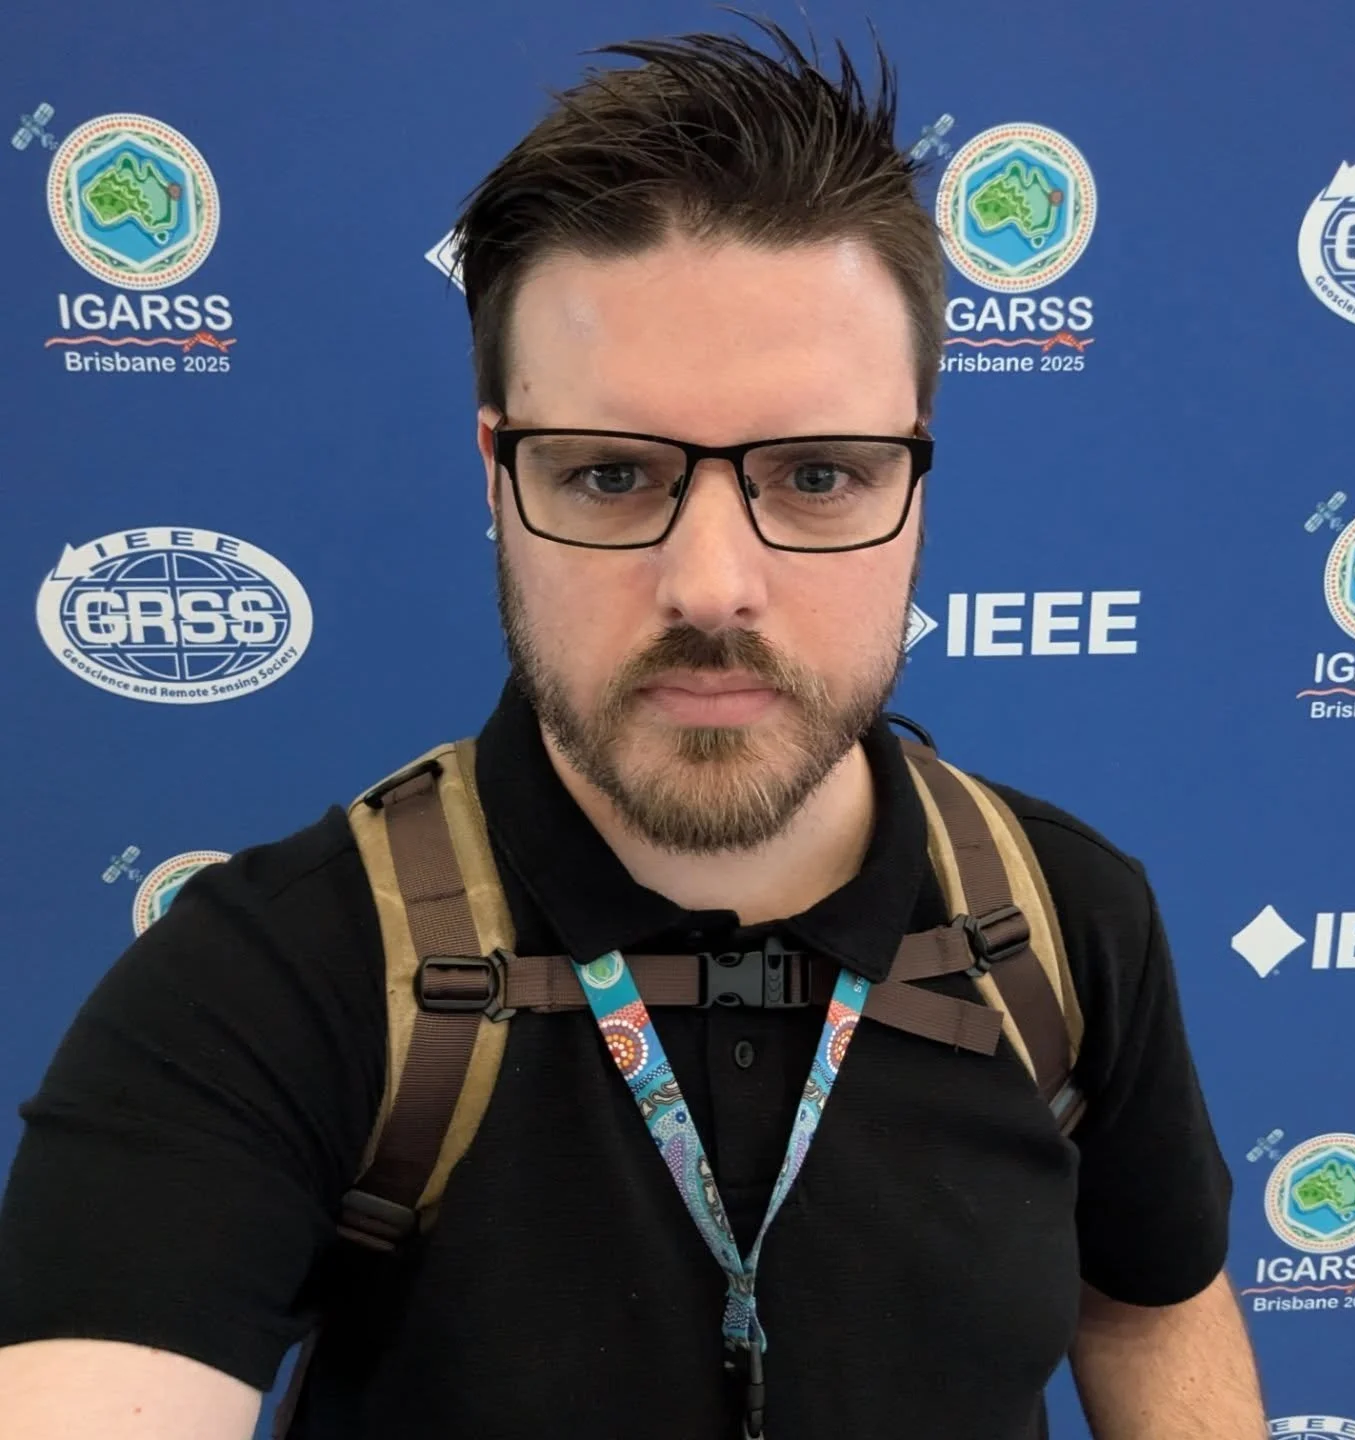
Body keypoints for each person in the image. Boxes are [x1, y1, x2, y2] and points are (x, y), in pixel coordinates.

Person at [0, 20, 1265, 1439]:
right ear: (498, 475)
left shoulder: (1067, 922)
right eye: (609, 473)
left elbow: (1148, 1304)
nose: (712, 586)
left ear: (916, 477)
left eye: (820, 475)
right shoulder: (271, 981)